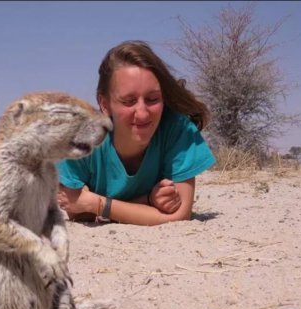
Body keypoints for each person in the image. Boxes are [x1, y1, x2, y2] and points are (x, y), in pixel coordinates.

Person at [57, 40, 216, 226]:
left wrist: (97, 203)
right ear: (104, 104)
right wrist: (147, 201)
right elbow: (78, 213)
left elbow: (180, 215)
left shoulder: (177, 128)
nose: (142, 113)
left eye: (152, 99)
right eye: (129, 101)